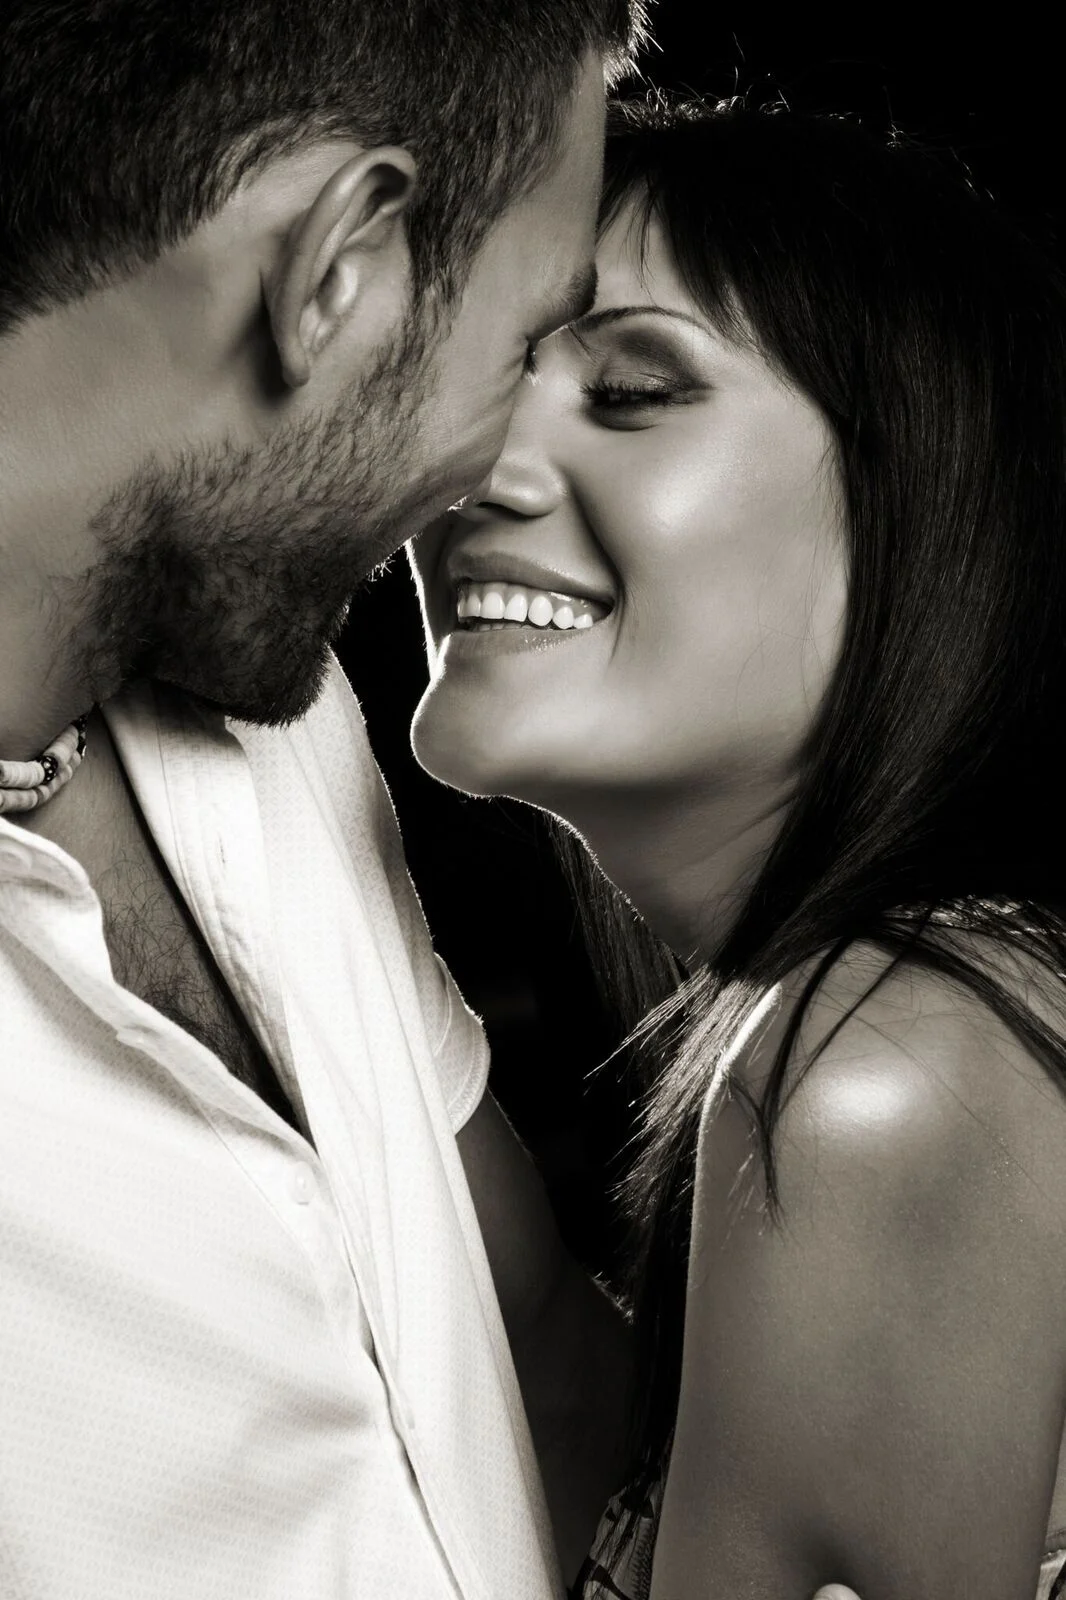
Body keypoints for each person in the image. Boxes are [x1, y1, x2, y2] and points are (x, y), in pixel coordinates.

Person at [0, 4, 639, 1594]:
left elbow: (534, 1348)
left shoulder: (278, 717)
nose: (496, 466)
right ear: (339, 265)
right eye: (521, 345)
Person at [408, 95, 1066, 1598]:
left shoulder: (885, 1079)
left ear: (913, 510)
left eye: (632, 391)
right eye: (478, 378)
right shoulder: (934, 1017)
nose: (472, 469)